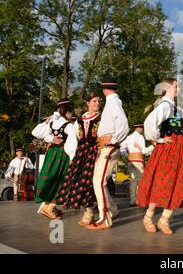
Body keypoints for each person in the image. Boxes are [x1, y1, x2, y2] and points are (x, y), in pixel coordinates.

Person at [137, 78, 183, 235]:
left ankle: (164, 219)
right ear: (167, 88)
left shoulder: (177, 108)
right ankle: (148, 217)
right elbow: (149, 123)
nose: (178, 89)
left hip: (180, 150)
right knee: (163, 182)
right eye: (176, 86)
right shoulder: (165, 105)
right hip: (169, 150)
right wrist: (158, 139)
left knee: (180, 183)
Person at [85, 77, 129, 231]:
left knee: (99, 181)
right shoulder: (113, 102)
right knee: (98, 180)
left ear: (104, 89)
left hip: (109, 147)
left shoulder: (112, 102)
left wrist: (113, 140)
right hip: (107, 146)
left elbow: (124, 125)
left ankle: (105, 218)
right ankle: (112, 210)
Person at [54, 92, 101, 226]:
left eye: (98, 101)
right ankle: (89, 211)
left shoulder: (101, 118)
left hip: (95, 152)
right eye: (94, 101)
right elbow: (73, 139)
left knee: (92, 182)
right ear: (88, 103)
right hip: (82, 153)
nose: (97, 104)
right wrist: (74, 155)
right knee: (80, 182)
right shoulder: (80, 120)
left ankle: (100, 210)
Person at [32, 99, 77, 219]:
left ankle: (50, 206)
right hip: (63, 154)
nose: (72, 114)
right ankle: (49, 207)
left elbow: (36, 132)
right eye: (71, 111)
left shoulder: (52, 123)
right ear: (67, 111)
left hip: (51, 153)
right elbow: (72, 145)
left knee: (51, 179)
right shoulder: (69, 126)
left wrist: (51, 139)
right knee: (62, 180)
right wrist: (73, 159)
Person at [120, 122, 154, 207]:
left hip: (130, 161)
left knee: (133, 180)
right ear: (139, 128)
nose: (142, 129)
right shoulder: (140, 137)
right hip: (138, 161)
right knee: (141, 181)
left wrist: (128, 155)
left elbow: (122, 148)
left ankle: (132, 200)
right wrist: (153, 146)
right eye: (142, 128)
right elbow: (144, 151)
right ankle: (140, 200)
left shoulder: (129, 137)